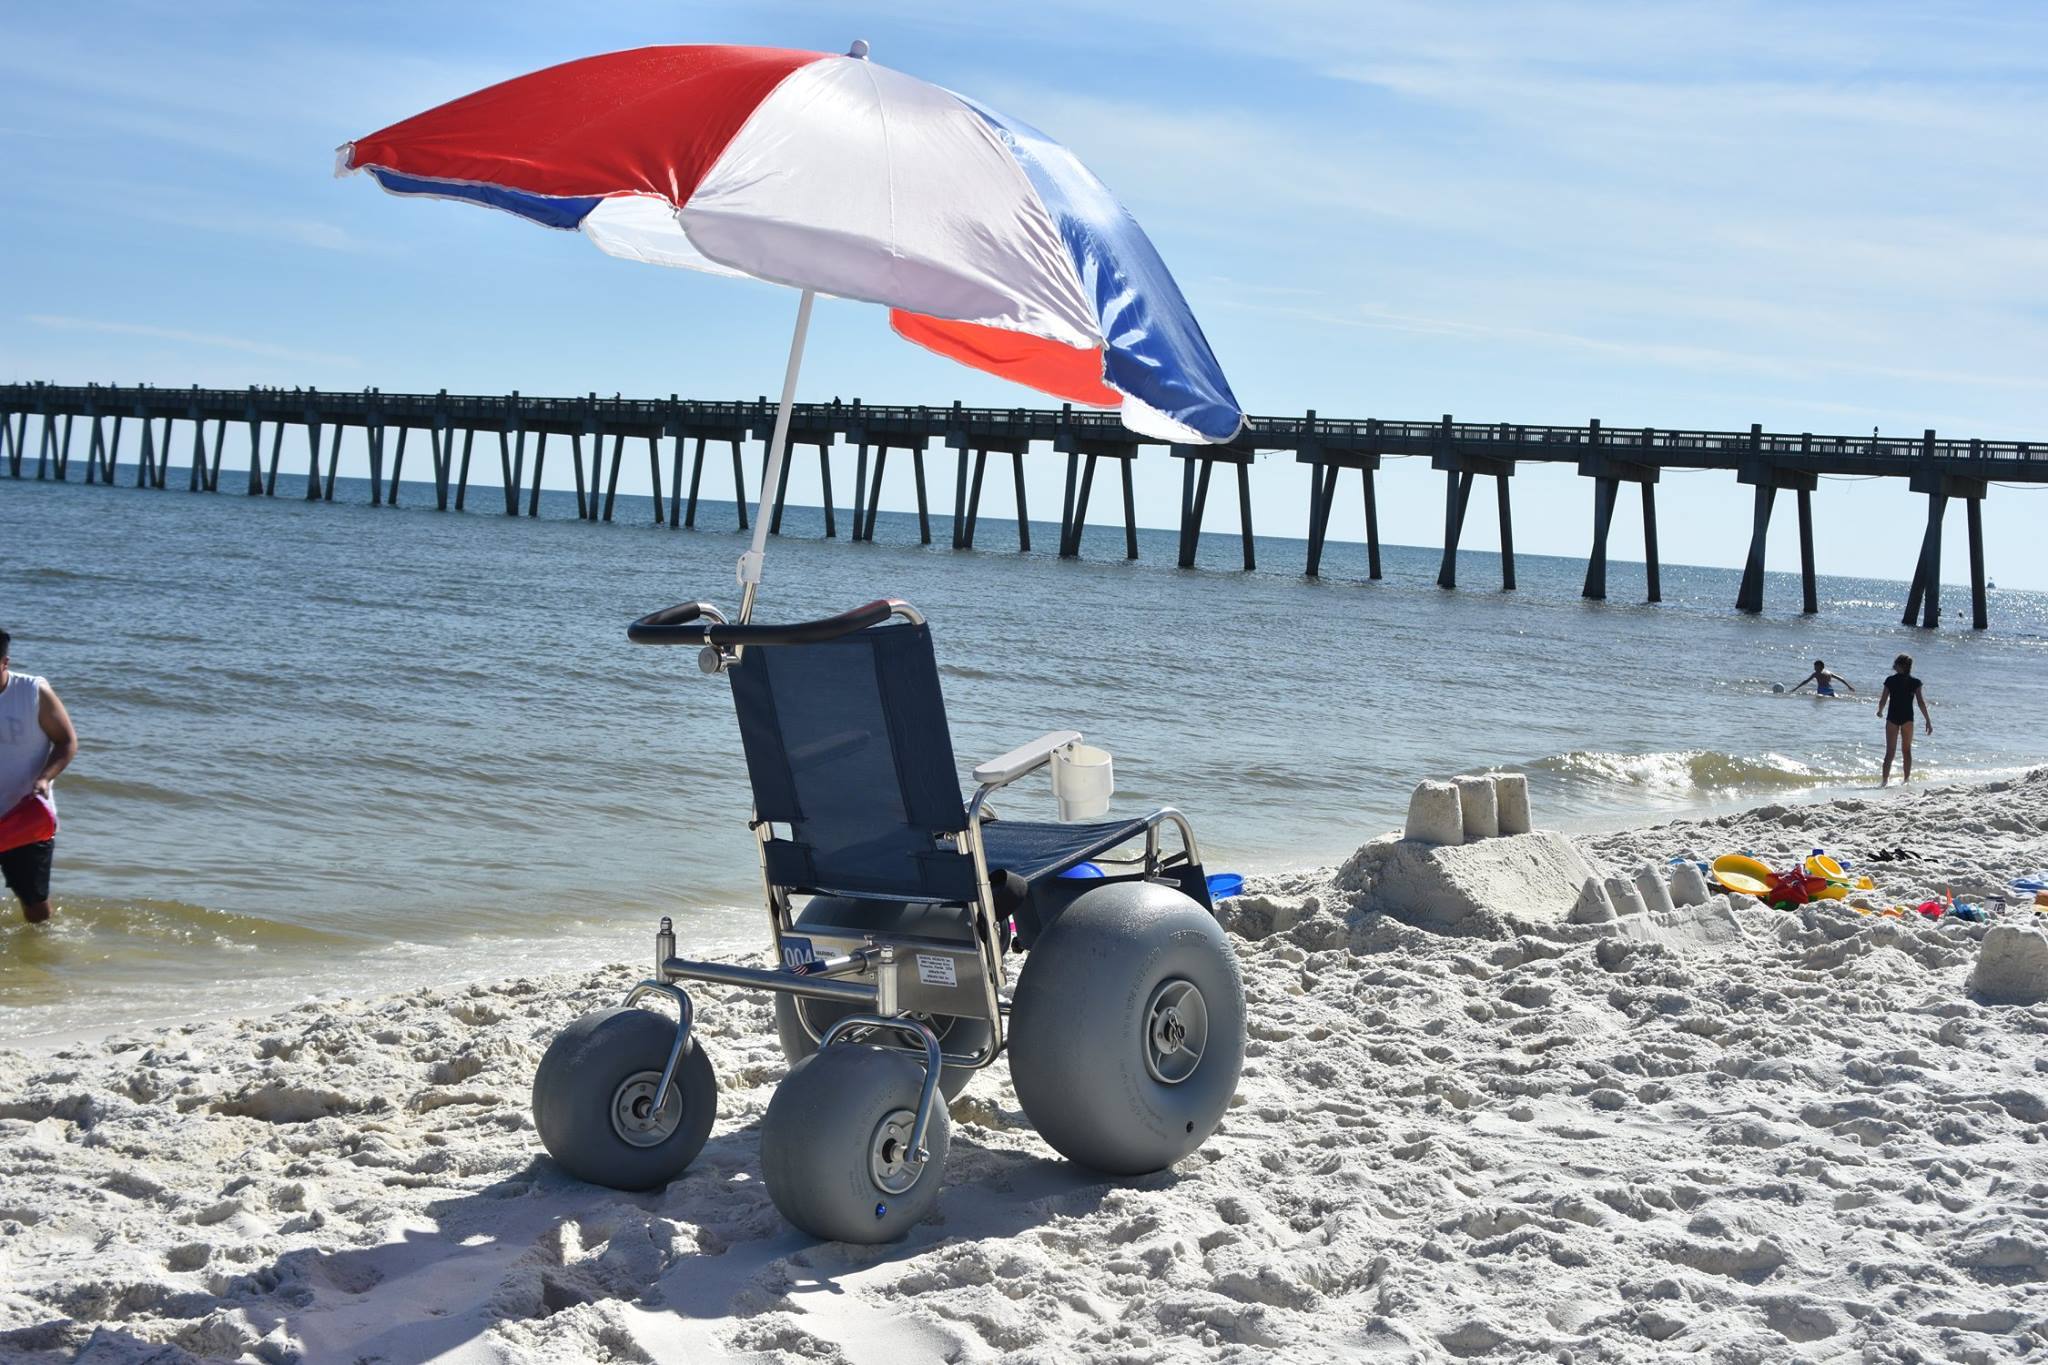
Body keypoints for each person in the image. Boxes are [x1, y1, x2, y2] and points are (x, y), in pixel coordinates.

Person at [0, 629, 79, 923]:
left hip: (25, 817)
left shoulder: (32, 692)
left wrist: (45, 778)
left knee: (34, 905)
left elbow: (67, 741)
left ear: (4, 663)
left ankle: (41, 957)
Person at [1878, 653, 1932, 786]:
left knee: (1890, 752)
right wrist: (1928, 720)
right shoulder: (1915, 682)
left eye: (1895, 663)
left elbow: (1883, 699)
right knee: (1906, 750)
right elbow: (1920, 702)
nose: (1893, 665)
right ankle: (1906, 780)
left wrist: (1880, 711)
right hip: (1908, 718)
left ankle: (1884, 781)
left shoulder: (1890, 680)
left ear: (1900, 666)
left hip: (1892, 718)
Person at [1789, 660, 1856, 698]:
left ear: (1820, 666)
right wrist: (1849, 686)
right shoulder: (1829, 672)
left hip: (1822, 690)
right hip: (1831, 690)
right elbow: (1840, 678)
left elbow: (1806, 681)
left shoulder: (1816, 673)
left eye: (1815, 667)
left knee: (1818, 700)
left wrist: (1796, 688)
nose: (1814, 668)